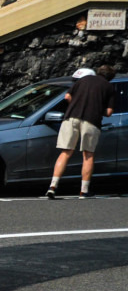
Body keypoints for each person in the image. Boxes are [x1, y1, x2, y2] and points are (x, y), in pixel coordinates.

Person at [45, 64, 116, 199]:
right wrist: (95, 107)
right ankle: (83, 191)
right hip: (91, 121)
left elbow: (67, 96)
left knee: (65, 152)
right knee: (88, 155)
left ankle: (52, 187)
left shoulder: (84, 79)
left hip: (71, 117)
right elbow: (109, 112)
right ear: (110, 77)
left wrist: (75, 104)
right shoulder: (109, 87)